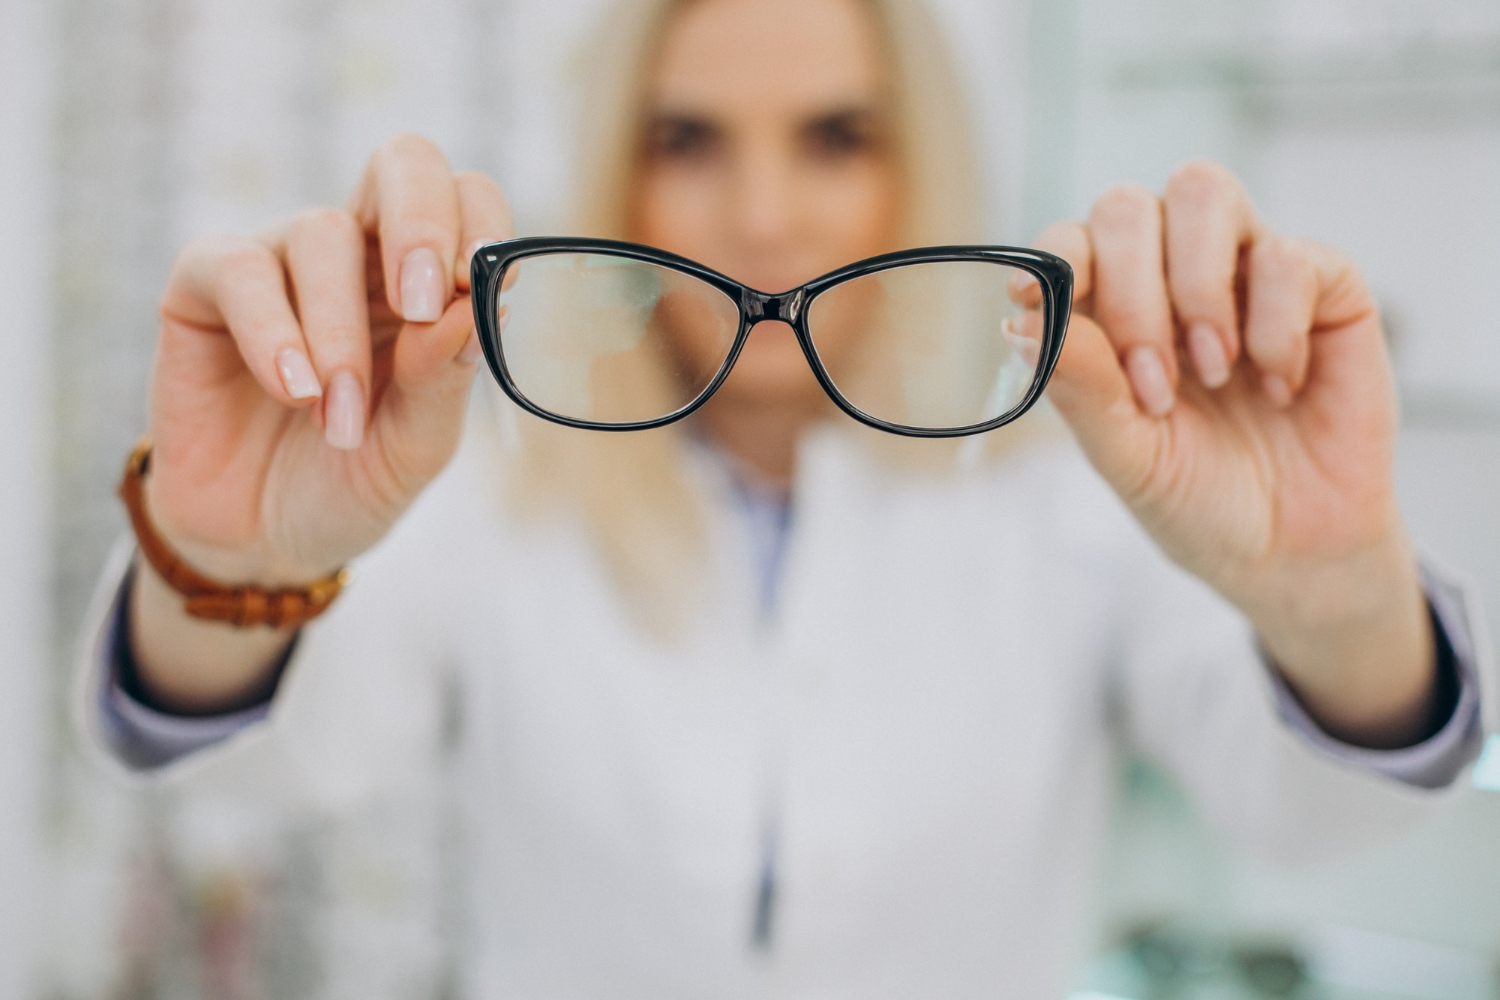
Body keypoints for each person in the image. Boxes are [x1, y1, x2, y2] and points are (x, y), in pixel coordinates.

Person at [80, 0, 1490, 996]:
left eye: (835, 136)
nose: (762, 215)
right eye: (689, 138)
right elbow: (241, 771)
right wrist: (218, 564)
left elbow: (1320, 812)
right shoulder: (488, 486)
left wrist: (1335, 595)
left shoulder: (1073, 488)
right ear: (616, 175)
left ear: (925, 159)